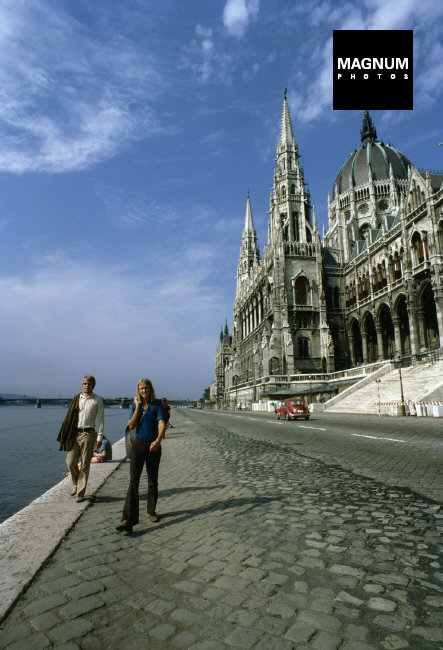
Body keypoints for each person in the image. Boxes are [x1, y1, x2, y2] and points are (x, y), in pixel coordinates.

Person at [116, 378, 165, 533]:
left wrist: (158, 440)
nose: (144, 390)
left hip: (153, 446)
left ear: (150, 389)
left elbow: (161, 423)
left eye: (146, 388)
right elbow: (131, 425)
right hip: (138, 445)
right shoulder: (134, 405)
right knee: (133, 481)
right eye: (141, 388)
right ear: (138, 390)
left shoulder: (157, 405)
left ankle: (151, 511)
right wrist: (137, 406)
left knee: (152, 480)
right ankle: (128, 520)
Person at [57, 375, 105, 503]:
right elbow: (70, 417)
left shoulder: (98, 400)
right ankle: (77, 484)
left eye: (89, 384)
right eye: (84, 383)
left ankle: (80, 492)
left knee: (84, 464)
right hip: (75, 434)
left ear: (93, 385)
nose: (86, 386)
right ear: (81, 384)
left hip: (89, 434)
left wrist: (99, 437)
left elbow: (100, 420)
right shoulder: (77, 398)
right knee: (71, 461)